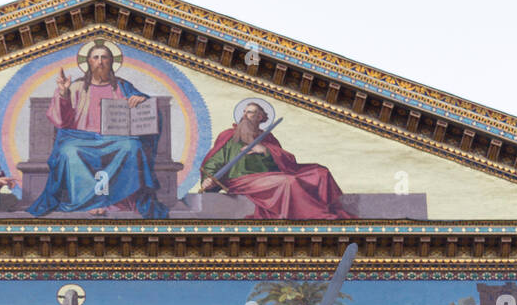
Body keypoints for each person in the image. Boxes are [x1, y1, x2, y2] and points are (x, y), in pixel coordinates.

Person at [30, 41, 168, 218]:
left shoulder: (122, 86)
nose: (100, 62)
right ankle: (86, 203)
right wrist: (63, 94)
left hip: (115, 139)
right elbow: (62, 121)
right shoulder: (76, 87)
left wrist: (139, 98)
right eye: (96, 57)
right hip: (81, 138)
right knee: (68, 151)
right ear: (89, 61)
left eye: (104, 57)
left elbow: (145, 103)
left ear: (111, 61)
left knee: (132, 147)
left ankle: (118, 202)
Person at [200, 99, 352, 220]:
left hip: (271, 176)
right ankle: (316, 216)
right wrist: (208, 179)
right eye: (244, 112)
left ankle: (329, 209)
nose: (245, 116)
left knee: (320, 172)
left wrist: (266, 151)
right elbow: (213, 162)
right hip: (243, 180)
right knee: (288, 182)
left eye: (251, 113)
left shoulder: (268, 137)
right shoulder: (230, 136)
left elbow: (287, 162)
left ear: (260, 117)